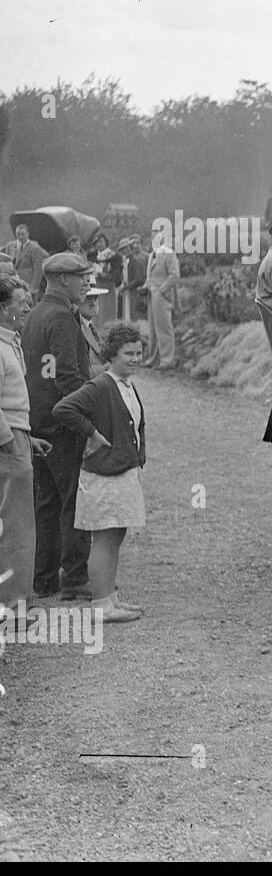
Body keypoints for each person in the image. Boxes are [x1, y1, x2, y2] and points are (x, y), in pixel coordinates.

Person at [52, 323, 148, 622]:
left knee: (116, 534)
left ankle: (111, 598)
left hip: (121, 470)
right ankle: (101, 605)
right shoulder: (102, 385)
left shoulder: (126, 383)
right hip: (104, 475)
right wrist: (91, 433)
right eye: (128, 353)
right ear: (112, 355)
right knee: (104, 538)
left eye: (138, 352)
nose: (134, 358)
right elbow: (63, 409)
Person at [23, 252, 94, 600]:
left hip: (37, 423)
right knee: (74, 501)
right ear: (63, 279)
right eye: (81, 277)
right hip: (63, 424)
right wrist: (89, 419)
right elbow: (68, 378)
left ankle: (45, 579)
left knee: (47, 503)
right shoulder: (63, 319)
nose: (86, 283)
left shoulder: (35, 314)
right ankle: (76, 580)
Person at [0, 276, 53, 613]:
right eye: (22, 302)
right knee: (16, 526)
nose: (28, 308)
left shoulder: (10, 342)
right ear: (4, 308)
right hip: (7, 445)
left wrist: (25, 437)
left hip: (16, 438)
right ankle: (13, 608)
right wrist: (10, 441)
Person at [143, 228, 180, 369]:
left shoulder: (169, 254)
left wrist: (161, 289)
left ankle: (167, 360)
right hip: (151, 296)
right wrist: (146, 286)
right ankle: (152, 359)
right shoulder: (151, 255)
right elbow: (150, 276)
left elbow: (174, 275)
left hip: (162, 296)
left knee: (164, 327)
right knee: (152, 328)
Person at [2, 224, 48, 293]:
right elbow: (6, 264)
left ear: (28, 233)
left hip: (28, 285)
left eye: (23, 234)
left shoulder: (35, 248)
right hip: (13, 284)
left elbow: (38, 270)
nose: (20, 237)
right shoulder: (10, 246)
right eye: (18, 234)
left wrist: (33, 287)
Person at [79, 286, 109, 370]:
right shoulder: (76, 329)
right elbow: (81, 371)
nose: (93, 303)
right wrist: (109, 369)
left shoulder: (90, 326)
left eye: (95, 297)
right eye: (88, 298)